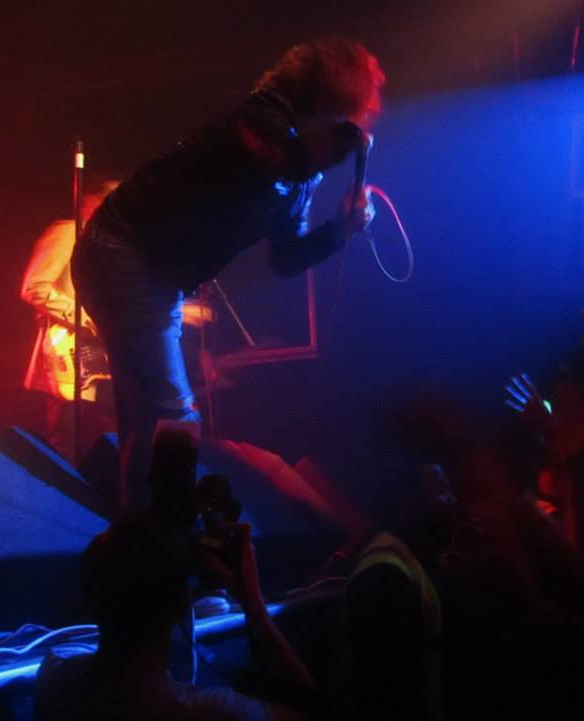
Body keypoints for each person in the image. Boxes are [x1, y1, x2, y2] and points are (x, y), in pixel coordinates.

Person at [72, 37, 385, 507]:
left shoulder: (302, 176)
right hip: (120, 252)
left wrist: (340, 228)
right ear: (327, 102)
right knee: (172, 417)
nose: (357, 131)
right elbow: (277, 157)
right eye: (349, 118)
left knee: (146, 418)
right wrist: (341, 146)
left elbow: (286, 258)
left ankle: (140, 530)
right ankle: (167, 537)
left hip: (156, 276)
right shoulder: (260, 119)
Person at [34, 512, 316, 721]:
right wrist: (253, 603)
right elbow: (310, 711)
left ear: (87, 598)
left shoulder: (54, 672)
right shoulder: (217, 711)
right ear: (184, 605)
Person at [21, 177, 119, 461]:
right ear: (93, 203)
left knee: (105, 437)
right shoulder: (67, 232)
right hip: (71, 349)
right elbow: (35, 287)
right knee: (69, 438)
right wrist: (85, 318)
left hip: (103, 357)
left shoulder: (107, 248)